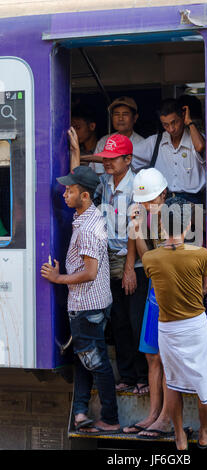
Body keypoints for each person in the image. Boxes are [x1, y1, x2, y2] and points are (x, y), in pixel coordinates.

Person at [40, 165, 120, 434]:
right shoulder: (90, 216)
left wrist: (57, 278)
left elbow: (89, 272)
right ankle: (81, 413)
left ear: (84, 196)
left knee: (97, 364)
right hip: (95, 304)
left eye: (70, 190)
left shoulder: (87, 228)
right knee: (84, 359)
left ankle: (110, 418)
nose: (64, 194)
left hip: (87, 307)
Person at [141, 197, 207, 450]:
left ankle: (179, 436)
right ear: (188, 225)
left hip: (168, 330)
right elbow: (204, 288)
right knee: (205, 385)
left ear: (162, 224)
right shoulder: (200, 254)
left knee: (173, 383)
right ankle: (204, 431)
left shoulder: (151, 259)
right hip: (194, 327)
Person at [94, 133, 149, 395]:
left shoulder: (137, 185)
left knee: (135, 319)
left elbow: (134, 230)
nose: (107, 162)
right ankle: (127, 376)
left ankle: (143, 376)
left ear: (128, 159)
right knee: (119, 321)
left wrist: (129, 269)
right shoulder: (105, 181)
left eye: (113, 158)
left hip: (133, 261)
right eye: (105, 158)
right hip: (109, 259)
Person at [123, 168, 174, 439]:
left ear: (164, 194)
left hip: (172, 292)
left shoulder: (175, 217)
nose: (145, 206)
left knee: (166, 357)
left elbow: (155, 261)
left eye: (150, 200)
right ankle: (154, 414)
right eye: (142, 202)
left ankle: (165, 417)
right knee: (152, 355)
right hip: (156, 288)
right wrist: (137, 229)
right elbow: (147, 259)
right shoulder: (149, 217)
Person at [132, 98, 205, 205]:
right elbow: (125, 156)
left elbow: (200, 147)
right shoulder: (155, 141)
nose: (171, 129)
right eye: (165, 125)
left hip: (193, 201)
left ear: (183, 116)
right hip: (164, 201)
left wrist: (189, 122)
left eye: (174, 122)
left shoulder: (195, 138)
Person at [69, 96, 144, 176]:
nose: (120, 118)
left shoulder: (143, 144)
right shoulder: (104, 141)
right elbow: (93, 171)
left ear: (135, 118)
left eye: (125, 114)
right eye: (116, 114)